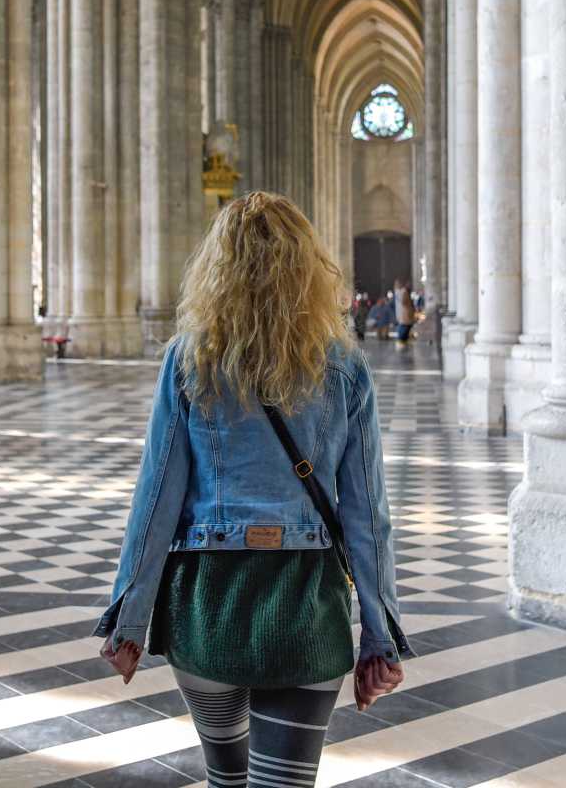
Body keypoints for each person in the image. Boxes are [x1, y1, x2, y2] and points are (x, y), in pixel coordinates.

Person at [95, 192, 409, 787]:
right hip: (305, 607)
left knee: (225, 781)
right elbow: (369, 515)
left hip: (207, 603)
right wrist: (379, 633)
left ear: (216, 271)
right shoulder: (343, 365)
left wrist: (130, 619)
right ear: (308, 269)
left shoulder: (189, 360)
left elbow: (156, 497)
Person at [393, 279, 416, 347]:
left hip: (404, 314)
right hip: (405, 313)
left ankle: (403, 340)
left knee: (405, 327)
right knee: (404, 327)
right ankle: (401, 340)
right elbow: (404, 302)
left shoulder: (401, 291)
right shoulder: (403, 291)